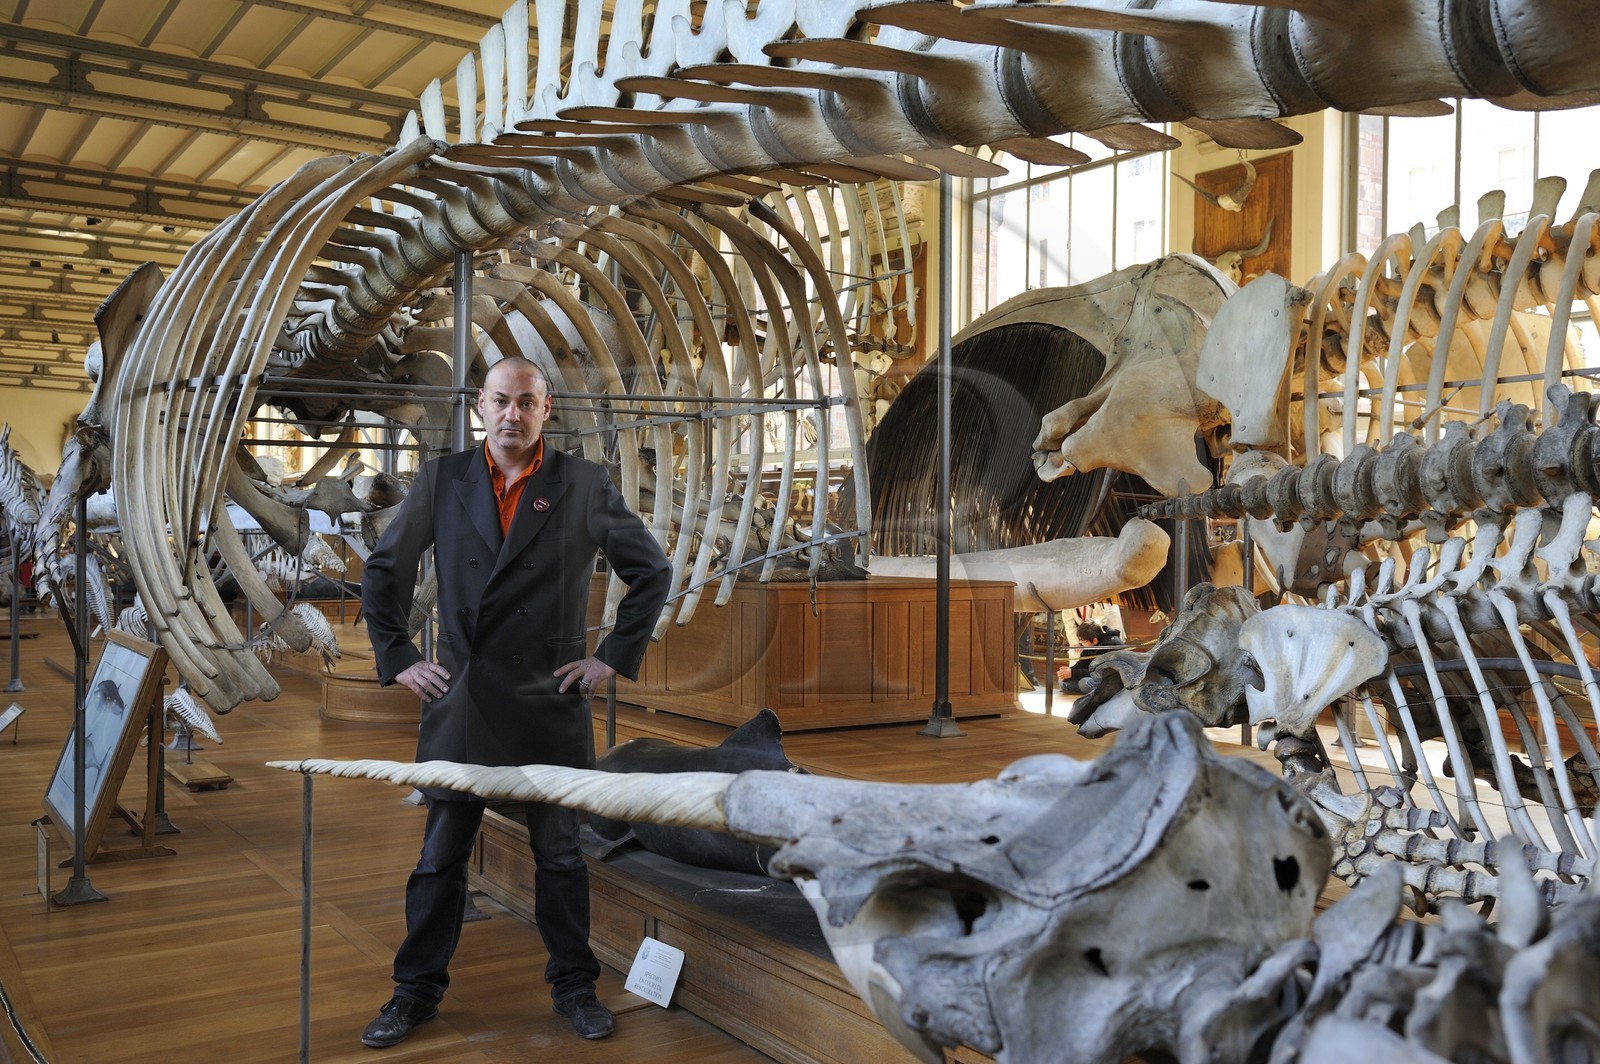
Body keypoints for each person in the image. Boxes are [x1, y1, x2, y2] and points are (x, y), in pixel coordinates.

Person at [359, 356, 672, 1049]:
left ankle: (575, 988)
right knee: (440, 858)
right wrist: (401, 657)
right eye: (501, 401)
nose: (512, 414)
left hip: (547, 699)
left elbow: (651, 571)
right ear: (480, 404)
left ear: (545, 408)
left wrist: (609, 656)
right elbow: (385, 571)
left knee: (559, 857)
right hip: (462, 699)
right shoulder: (442, 479)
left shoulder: (583, 483)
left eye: (526, 402)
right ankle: (414, 992)